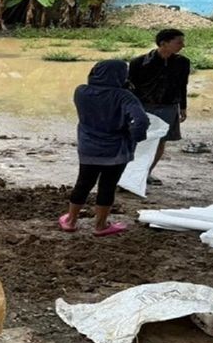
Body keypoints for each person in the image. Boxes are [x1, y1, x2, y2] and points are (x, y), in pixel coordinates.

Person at [60, 60, 150, 236]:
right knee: (107, 186)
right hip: (116, 149)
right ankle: (100, 226)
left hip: (89, 147)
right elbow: (141, 120)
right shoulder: (124, 96)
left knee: (83, 183)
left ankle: (70, 221)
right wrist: (136, 137)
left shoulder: (81, 91)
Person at [128, 28, 190, 184]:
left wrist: (182, 106)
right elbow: (129, 88)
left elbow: (183, 85)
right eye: (178, 42)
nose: (182, 45)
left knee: (160, 141)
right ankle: (129, 173)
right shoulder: (139, 62)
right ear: (164, 43)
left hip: (168, 106)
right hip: (144, 106)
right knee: (137, 140)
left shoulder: (182, 62)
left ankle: (146, 172)